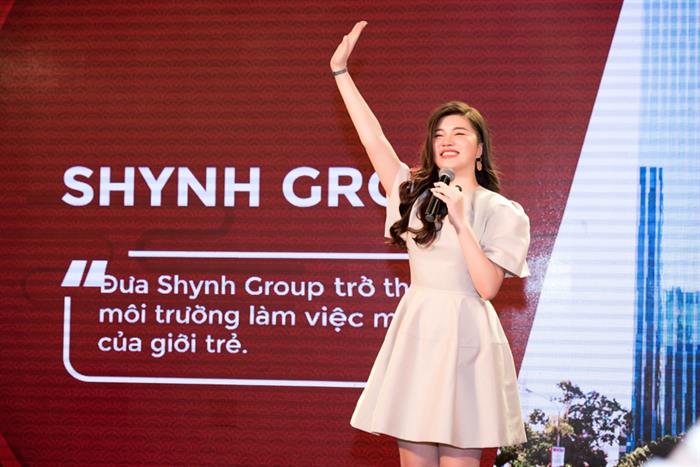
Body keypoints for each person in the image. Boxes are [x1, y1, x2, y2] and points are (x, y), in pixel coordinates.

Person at [331, 21, 530, 467]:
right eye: (439, 135)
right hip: (419, 331)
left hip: (468, 338)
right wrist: (341, 72)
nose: (447, 141)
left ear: (479, 148)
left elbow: (487, 288)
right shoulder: (412, 193)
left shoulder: (501, 210)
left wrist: (461, 222)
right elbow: (373, 139)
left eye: (459, 133)